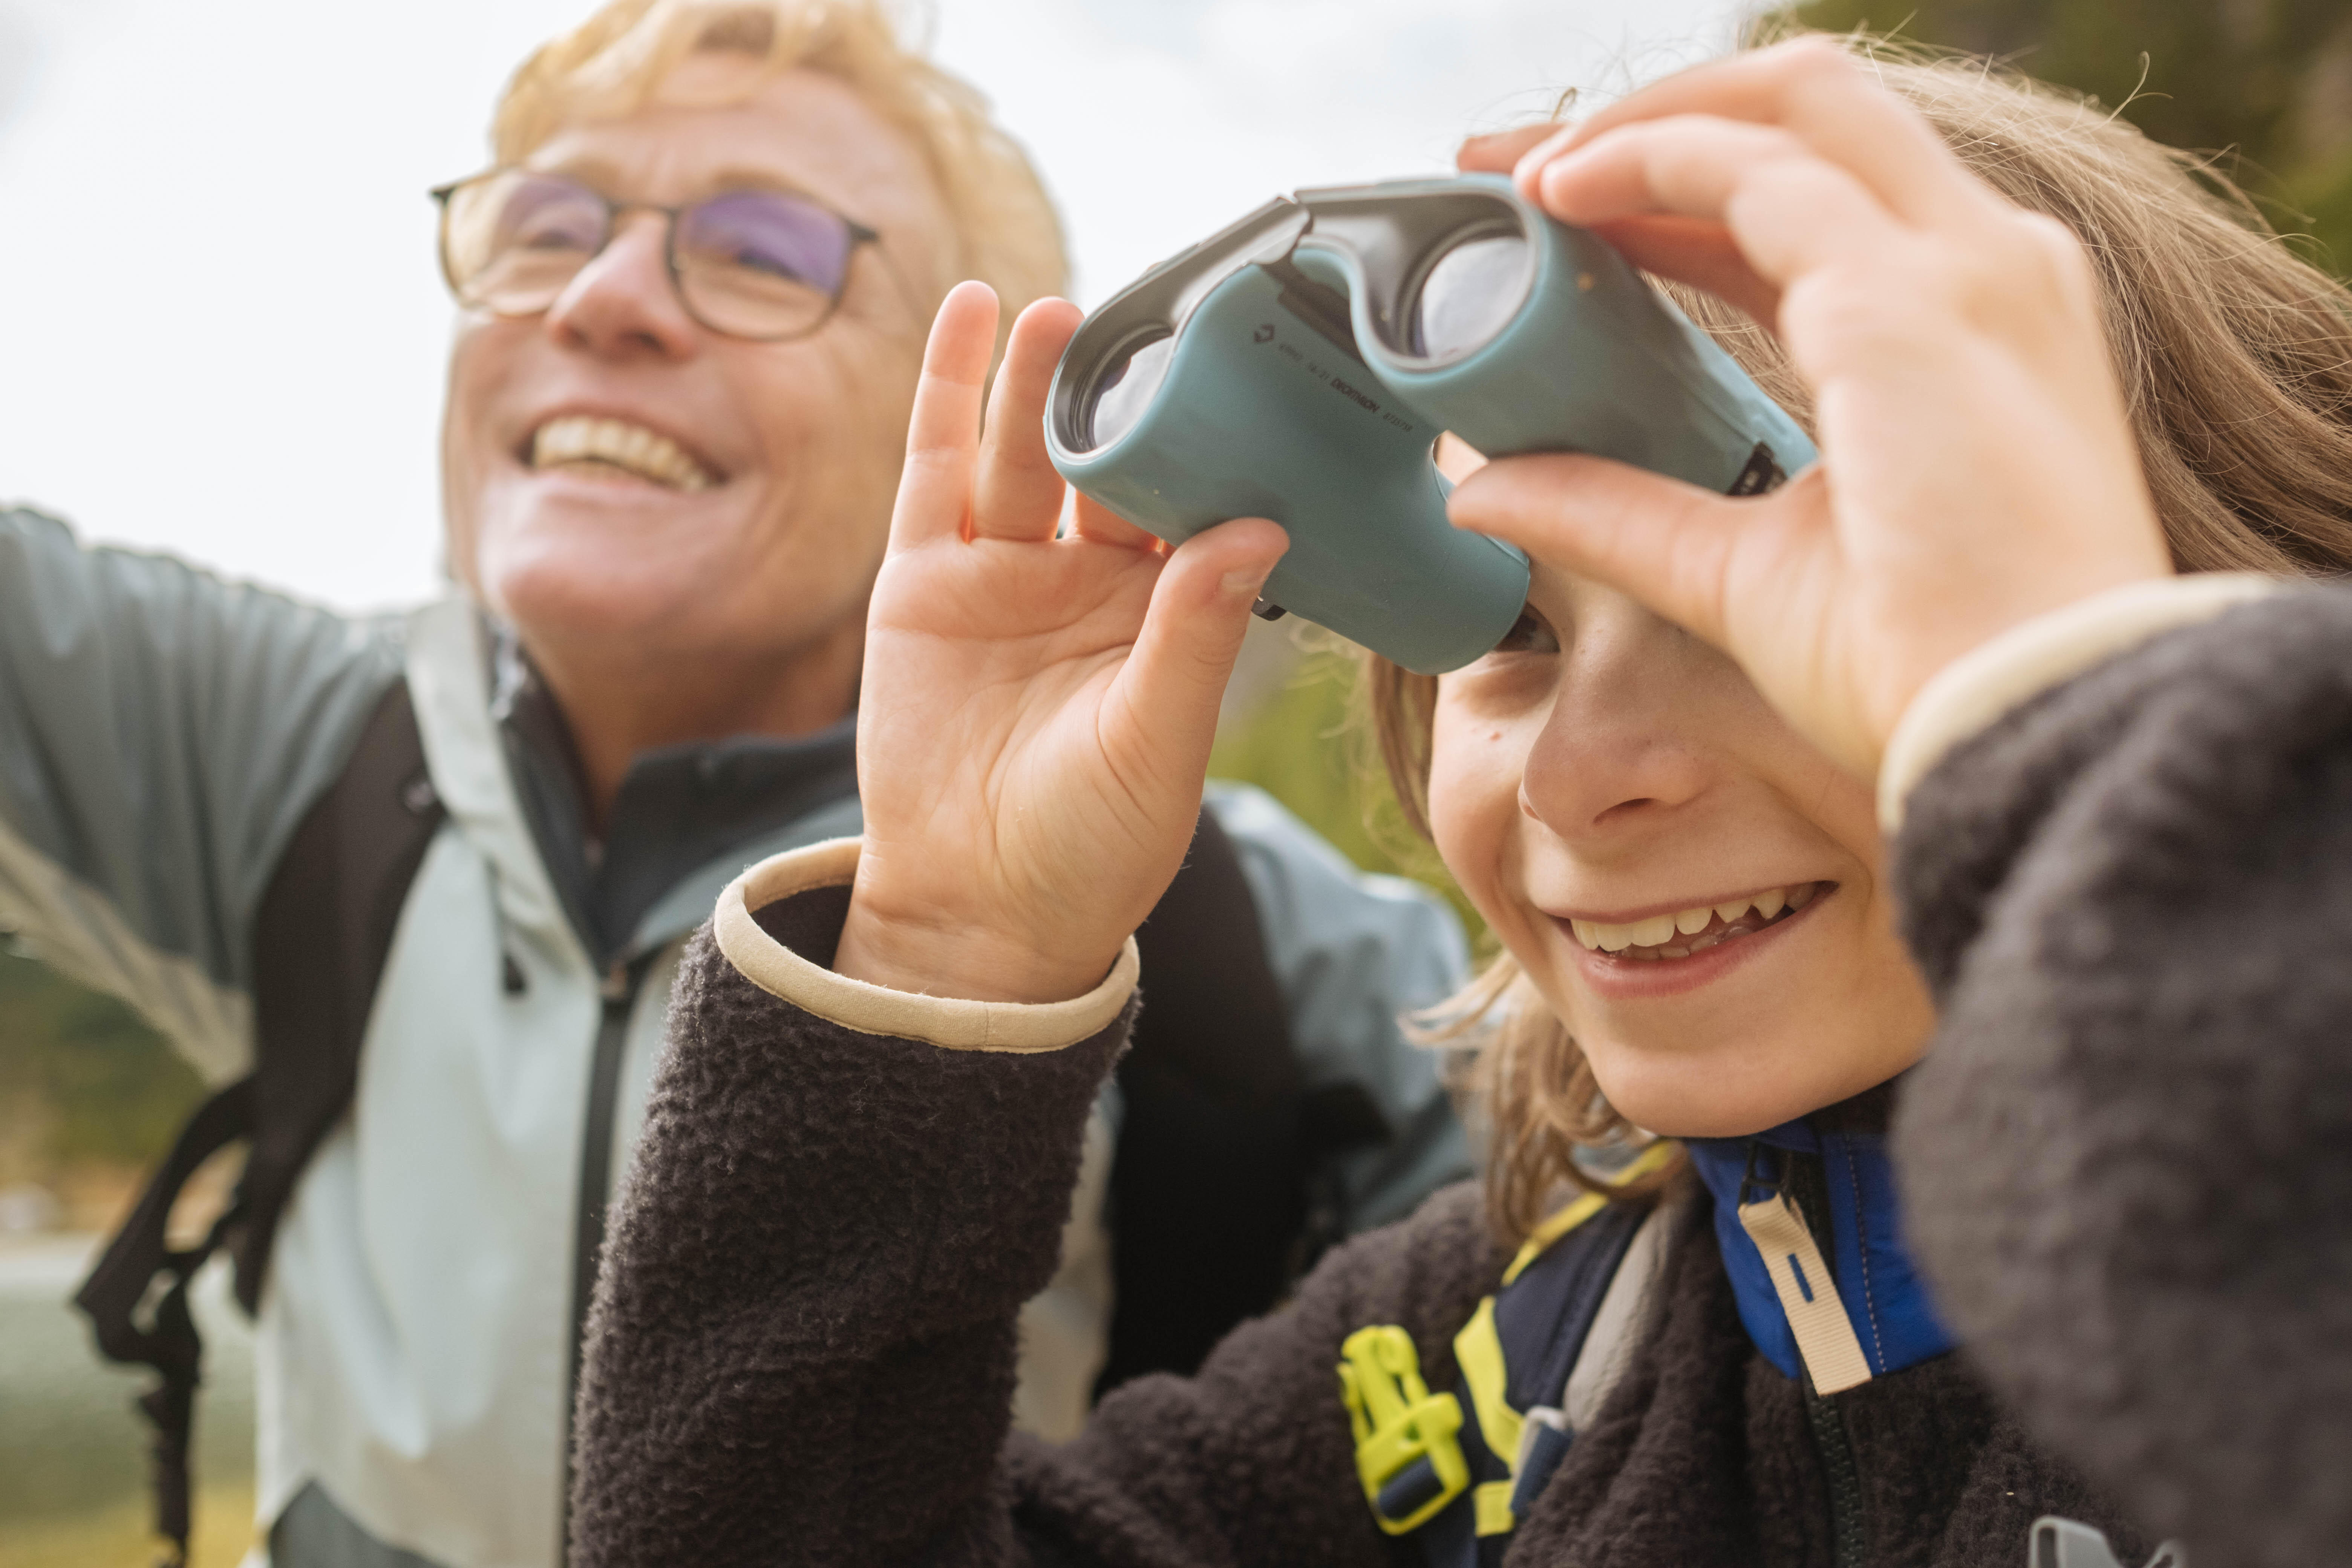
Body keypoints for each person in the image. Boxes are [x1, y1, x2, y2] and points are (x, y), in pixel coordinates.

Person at [566, 31, 2352, 1568]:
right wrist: (947, 945)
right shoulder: (1523, 1329)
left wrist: (2078, 746)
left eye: (1755, 621)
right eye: (1509, 638)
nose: (1582, 772)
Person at [0, 3, 1472, 1563]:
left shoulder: (1270, 948)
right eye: (541, 223)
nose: (604, 294)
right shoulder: (286, 751)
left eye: (769, 251)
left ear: (977, 428)